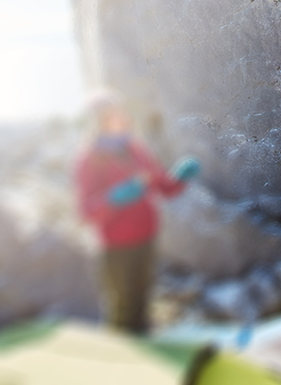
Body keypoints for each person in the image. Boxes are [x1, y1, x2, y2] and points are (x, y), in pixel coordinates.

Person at [74, 92, 200, 334]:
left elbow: (163, 185)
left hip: (146, 240)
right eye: (111, 115)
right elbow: (86, 212)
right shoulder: (90, 159)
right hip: (116, 249)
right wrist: (115, 197)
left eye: (119, 112)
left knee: (142, 305)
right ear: (98, 122)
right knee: (123, 312)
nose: (119, 118)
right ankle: (121, 360)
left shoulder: (134, 148)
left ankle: (144, 351)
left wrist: (180, 177)